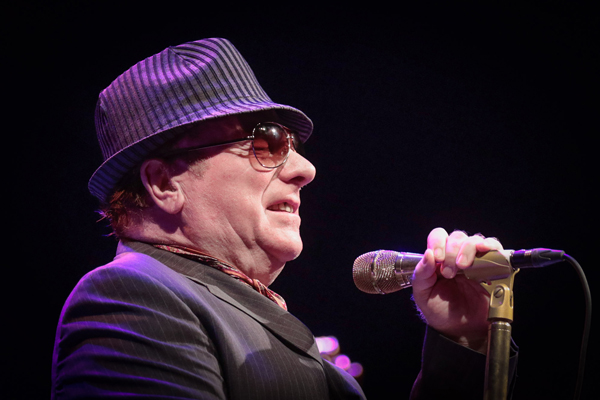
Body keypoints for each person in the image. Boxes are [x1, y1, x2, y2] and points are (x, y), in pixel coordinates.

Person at [51, 38, 517, 399]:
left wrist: (465, 340)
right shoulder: (130, 297)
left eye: (292, 146)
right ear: (164, 183)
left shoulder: (236, 311)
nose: (304, 169)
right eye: (265, 143)